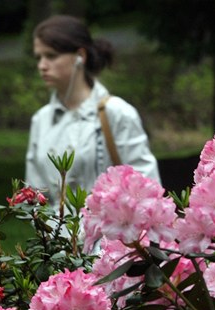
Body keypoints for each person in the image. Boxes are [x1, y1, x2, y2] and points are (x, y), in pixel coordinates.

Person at [25, 15, 160, 207]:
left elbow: (148, 189)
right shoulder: (40, 120)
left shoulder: (117, 112)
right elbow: (33, 195)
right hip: (54, 235)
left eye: (51, 56)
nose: (42, 66)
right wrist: (50, 231)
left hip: (109, 233)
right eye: (39, 57)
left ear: (80, 56)